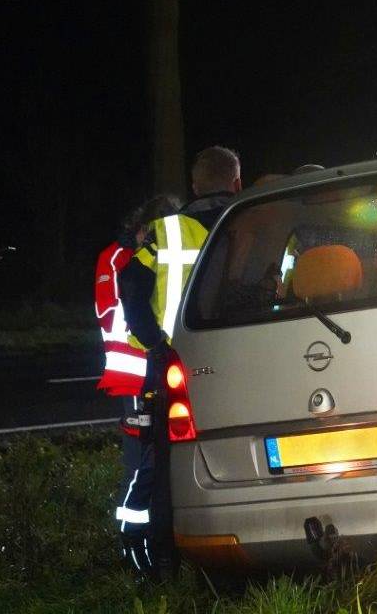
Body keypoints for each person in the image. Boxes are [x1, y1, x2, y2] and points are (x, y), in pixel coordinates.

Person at [116, 146, 242, 578]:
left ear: (194, 186)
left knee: (169, 460)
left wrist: (156, 345)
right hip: (242, 358)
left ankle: (168, 559)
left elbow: (130, 288)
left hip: (173, 364)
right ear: (237, 183)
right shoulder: (253, 222)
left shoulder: (165, 231)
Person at [94, 194, 180, 573]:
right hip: (133, 372)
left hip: (155, 366)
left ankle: (158, 542)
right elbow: (116, 314)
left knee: (159, 458)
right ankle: (133, 544)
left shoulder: (145, 255)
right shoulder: (118, 257)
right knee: (142, 462)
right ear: (142, 227)